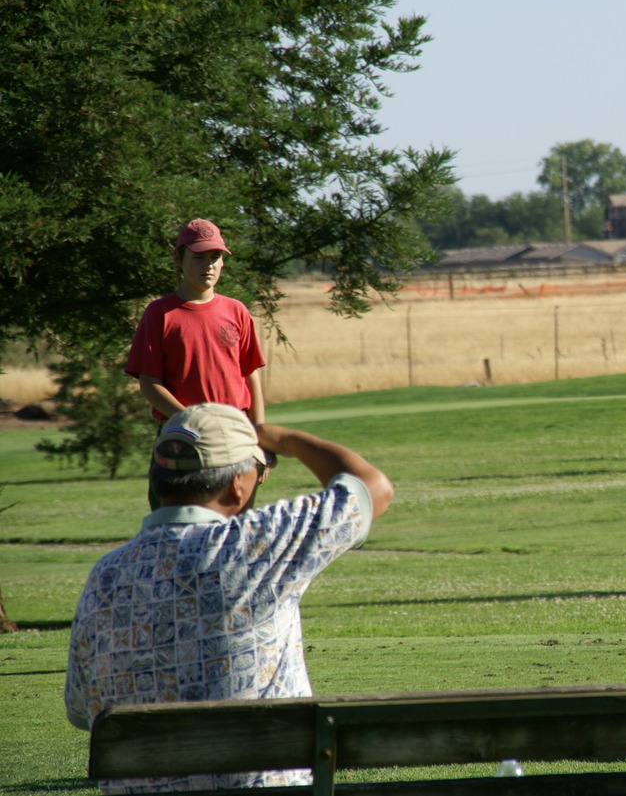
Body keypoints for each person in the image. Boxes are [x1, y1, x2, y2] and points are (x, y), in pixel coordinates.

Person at [65, 403, 395, 791]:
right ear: (238, 484)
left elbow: (81, 711)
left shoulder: (104, 575)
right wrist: (287, 440)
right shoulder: (252, 545)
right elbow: (372, 488)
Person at [126, 218, 267, 510]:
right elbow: (149, 384)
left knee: (234, 525)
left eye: (215, 257)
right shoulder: (160, 313)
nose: (209, 265)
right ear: (179, 259)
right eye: (199, 257)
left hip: (236, 436)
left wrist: (259, 438)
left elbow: (250, 376)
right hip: (181, 437)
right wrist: (194, 422)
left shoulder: (237, 311)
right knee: (175, 525)